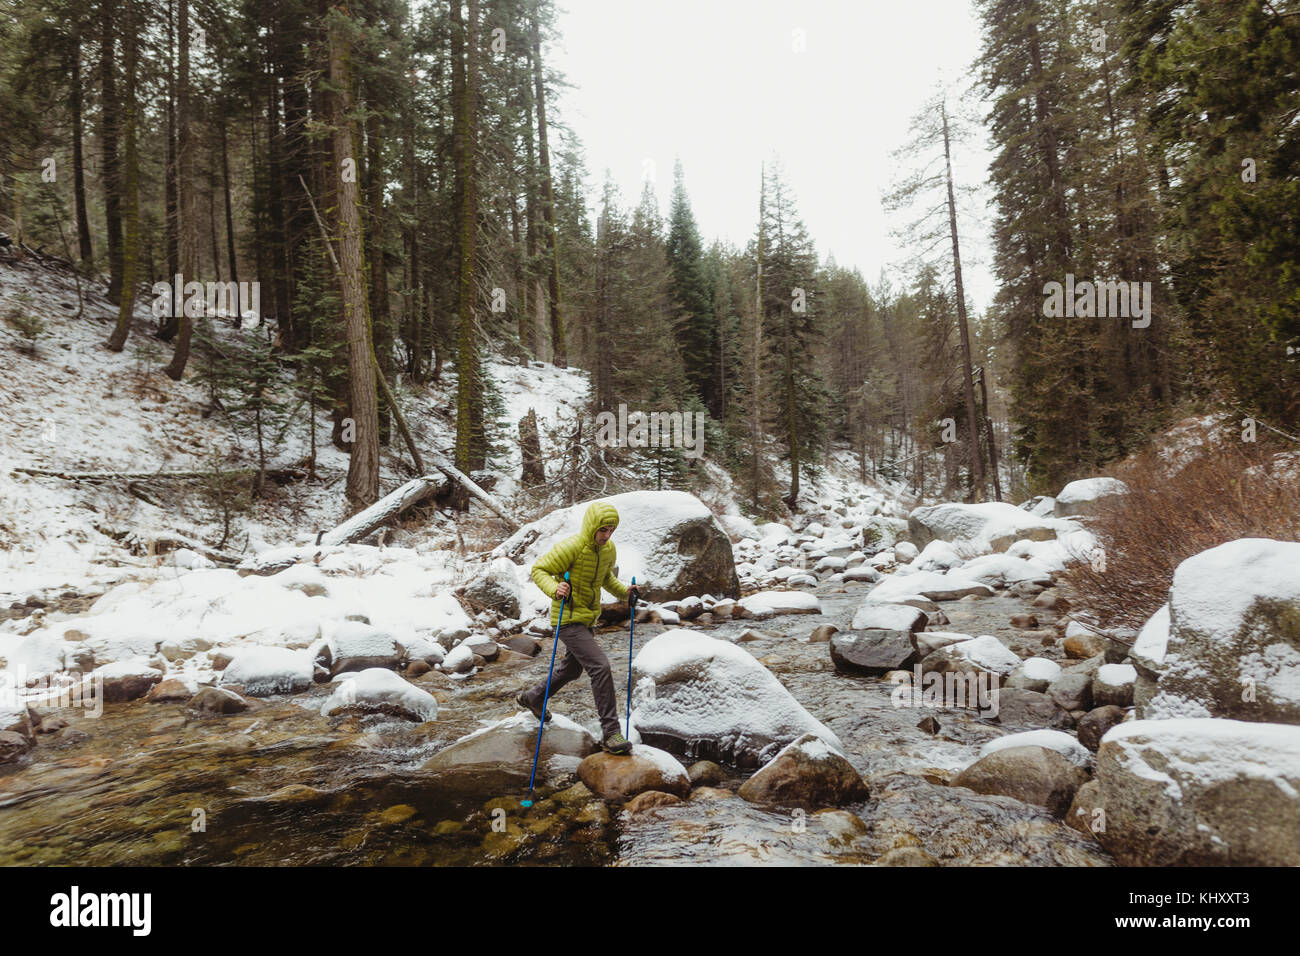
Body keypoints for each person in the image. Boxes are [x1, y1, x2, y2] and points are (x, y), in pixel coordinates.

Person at [516, 499, 640, 755]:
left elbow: (607, 578)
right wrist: (555, 588)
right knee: (601, 667)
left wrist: (625, 592)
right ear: (592, 526)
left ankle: (534, 697)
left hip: (587, 618)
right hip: (567, 618)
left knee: (572, 670)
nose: (606, 536)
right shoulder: (571, 547)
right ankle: (611, 733)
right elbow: (539, 569)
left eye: (611, 531)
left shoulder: (608, 550)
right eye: (603, 530)